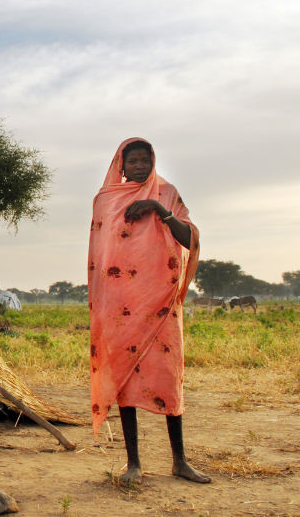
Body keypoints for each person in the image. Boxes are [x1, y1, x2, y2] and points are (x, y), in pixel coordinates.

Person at [88, 138, 210, 485]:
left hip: (160, 306)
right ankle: (133, 464)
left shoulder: (167, 193)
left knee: (169, 383)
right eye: (133, 160)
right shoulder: (105, 201)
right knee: (124, 382)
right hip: (120, 308)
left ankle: (180, 462)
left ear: (153, 161)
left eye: (146, 159)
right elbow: (99, 257)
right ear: (121, 165)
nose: (140, 165)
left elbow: (190, 238)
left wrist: (159, 210)